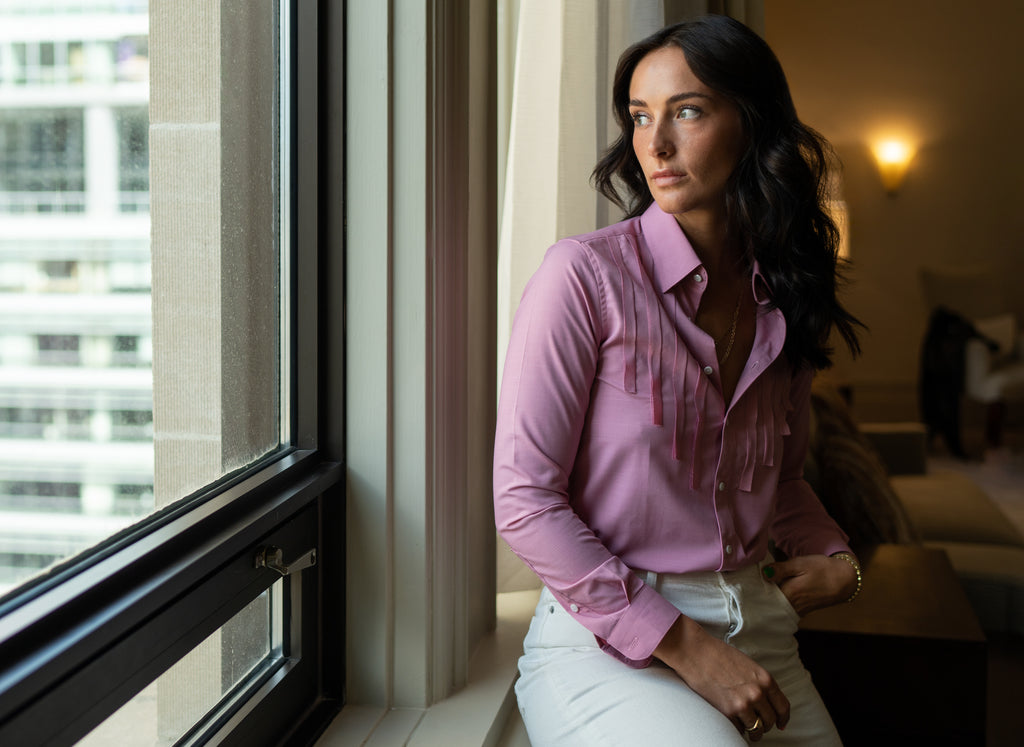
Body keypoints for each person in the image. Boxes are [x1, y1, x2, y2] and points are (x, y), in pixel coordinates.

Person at [493, 14, 865, 746]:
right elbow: (525, 500)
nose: (654, 145)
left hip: (758, 632)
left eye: (686, 111)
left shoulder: (784, 296)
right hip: (610, 642)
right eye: (639, 117)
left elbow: (782, 483)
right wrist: (688, 646)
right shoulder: (584, 277)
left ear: (752, 125)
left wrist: (840, 562)